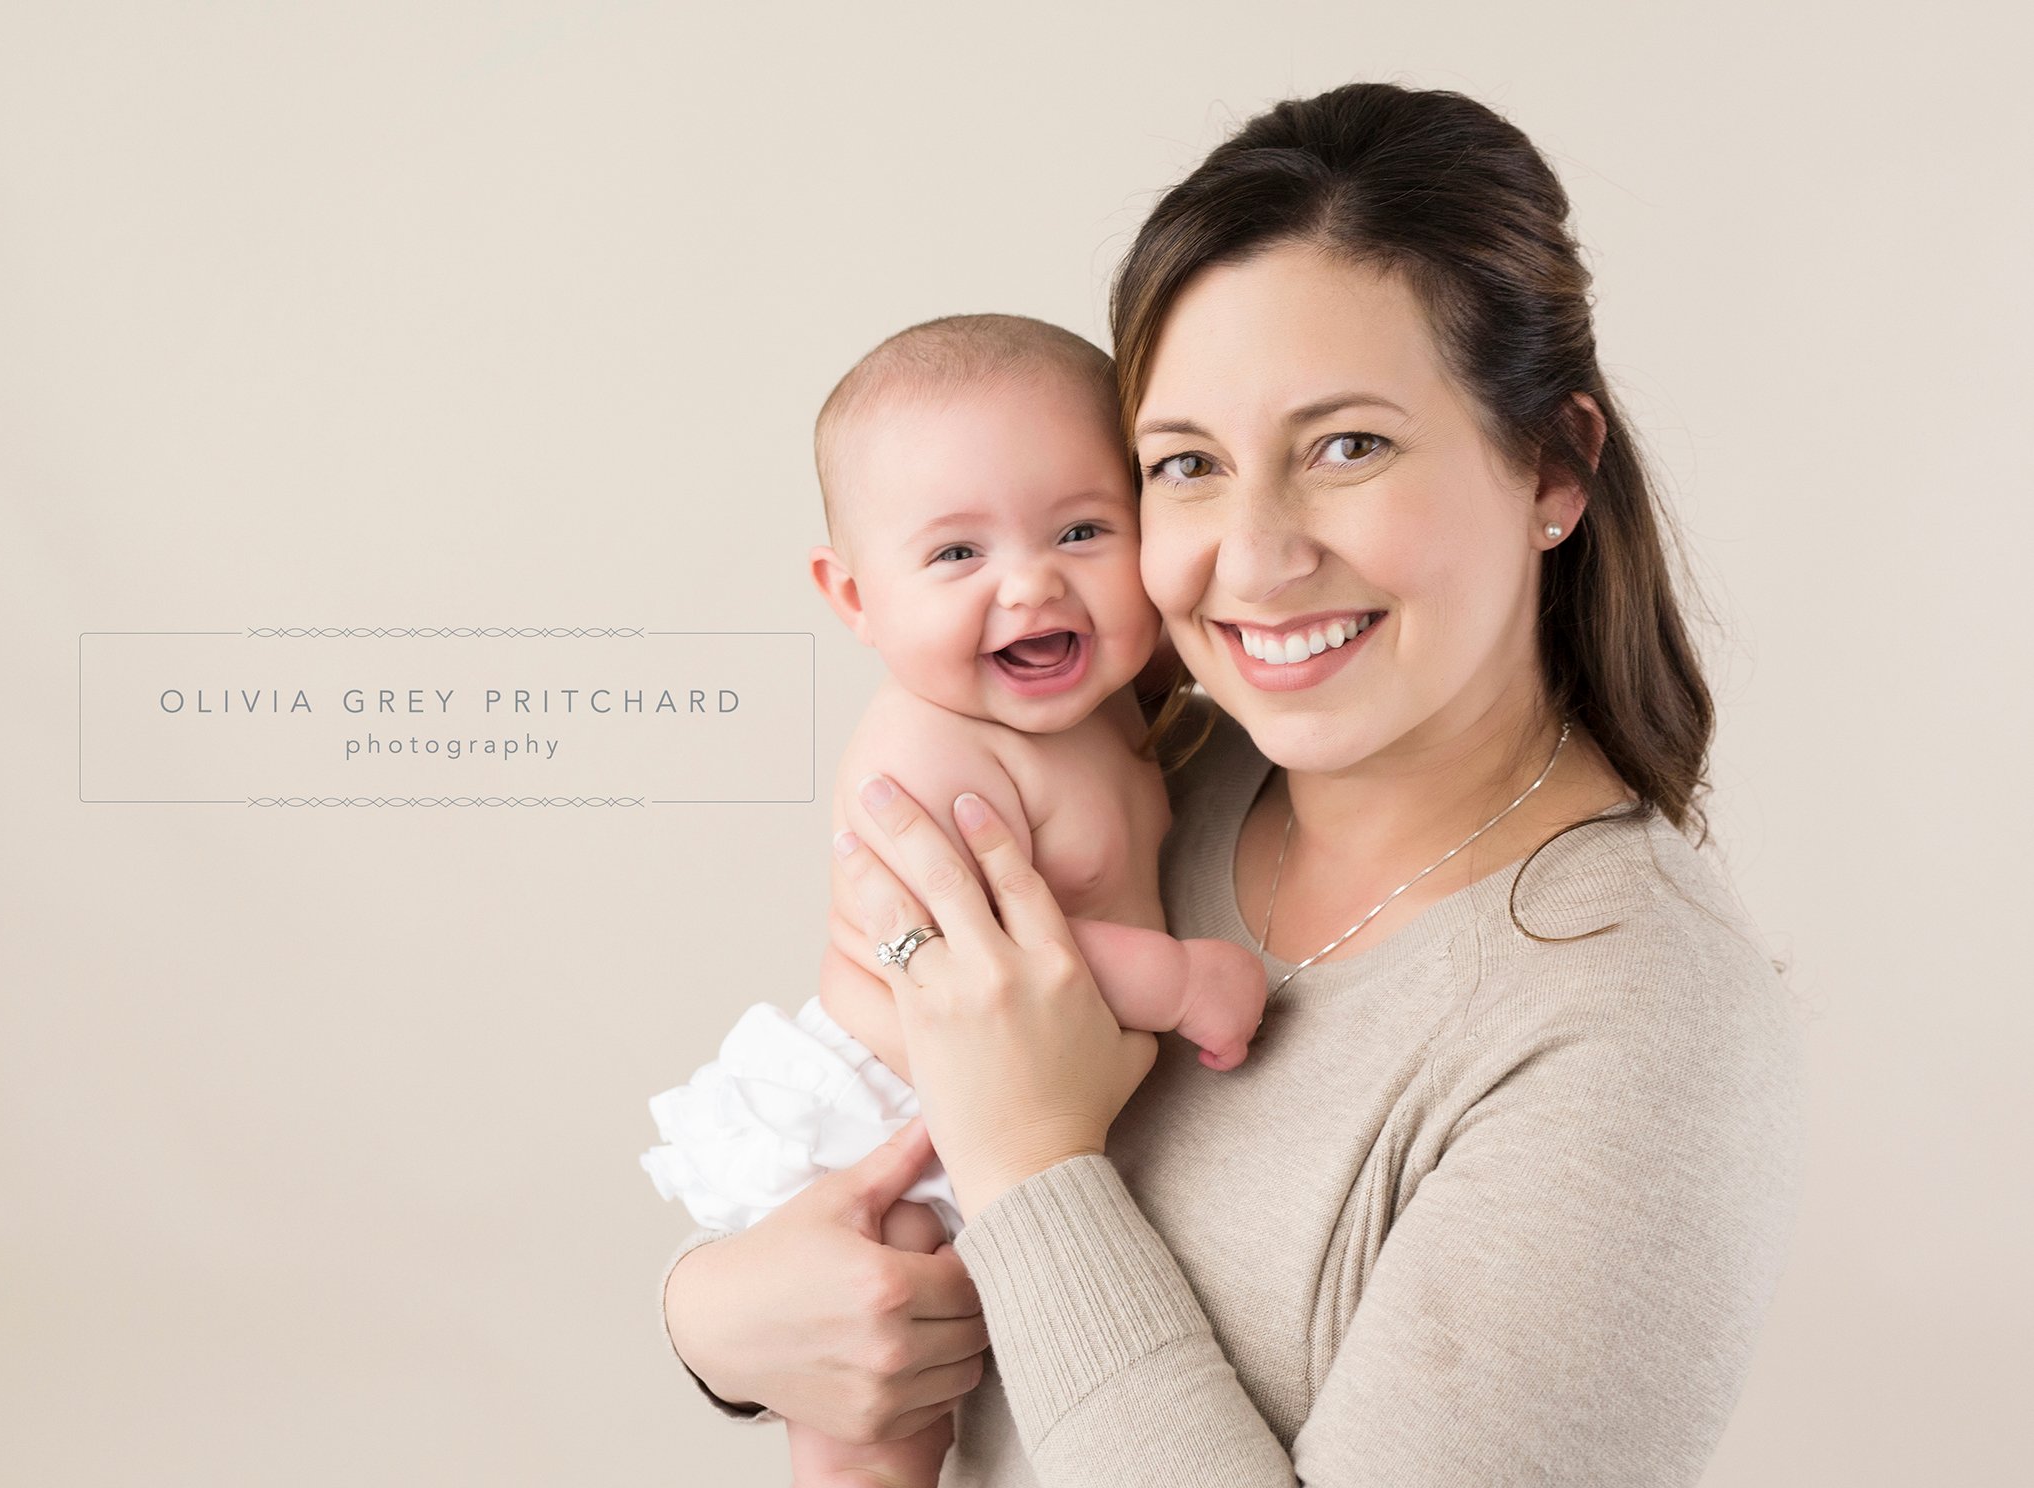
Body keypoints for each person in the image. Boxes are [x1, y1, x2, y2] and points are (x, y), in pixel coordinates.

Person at [656, 80, 1808, 1487]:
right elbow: (835, 1234)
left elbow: (997, 1183)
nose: (1252, 558)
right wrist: (712, 1322)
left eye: (1348, 446)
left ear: (1551, 467)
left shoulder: (1632, 1022)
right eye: (1186, 465)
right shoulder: (1159, 771)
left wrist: (1027, 1160)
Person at [638, 313, 1267, 1487]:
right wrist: (1184, 981)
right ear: (855, 598)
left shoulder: (1117, 698)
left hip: (1006, 1111)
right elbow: (995, 963)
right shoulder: (927, 757)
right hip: (892, 1123)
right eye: (955, 556)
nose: (1032, 583)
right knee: (883, 1443)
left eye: (1083, 530)